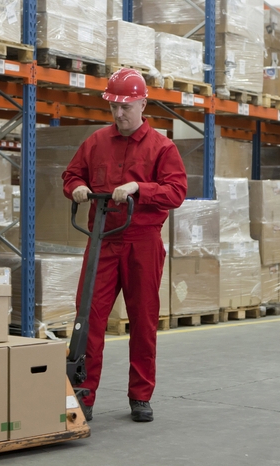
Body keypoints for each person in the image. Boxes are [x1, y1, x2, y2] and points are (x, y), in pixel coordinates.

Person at [62, 68, 187, 422]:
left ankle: (140, 395)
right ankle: (82, 394)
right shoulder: (96, 142)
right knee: (89, 319)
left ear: (143, 104)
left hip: (141, 243)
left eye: (126, 107)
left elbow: (176, 191)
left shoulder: (162, 147)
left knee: (142, 321)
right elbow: (72, 174)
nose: (119, 115)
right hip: (101, 240)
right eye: (114, 108)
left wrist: (138, 188)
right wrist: (76, 188)